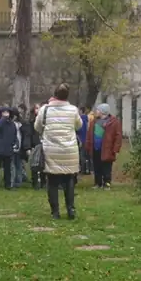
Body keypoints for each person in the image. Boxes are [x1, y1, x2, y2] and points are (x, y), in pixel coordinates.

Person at [35, 83, 82, 219]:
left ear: (54, 94)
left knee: (53, 181)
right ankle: (71, 209)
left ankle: (55, 212)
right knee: (69, 180)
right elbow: (79, 125)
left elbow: (37, 127)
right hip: (69, 150)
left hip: (52, 150)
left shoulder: (45, 109)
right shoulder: (73, 110)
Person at [86, 103, 123, 189]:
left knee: (106, 167)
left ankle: (107, 183)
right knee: (96, 166)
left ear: (102, 111)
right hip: (95, 148)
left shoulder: (113, 122)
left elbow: (118, 136)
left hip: (107, 149)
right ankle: (97, 183)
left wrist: (115, 149)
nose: (96, 111)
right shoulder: (94, 121)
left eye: (98, 110)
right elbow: (89, 134)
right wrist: (88, 145)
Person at [0, 105, 18, 190]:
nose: (6, 114)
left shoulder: (12, 124)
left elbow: (14, 134)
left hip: (8, 149)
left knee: (7, 169)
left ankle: (8, 184)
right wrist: (3, 118)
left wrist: (15, 143)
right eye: (4, 112)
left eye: (7, 112)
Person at [28, 104, 44, 190]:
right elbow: (29, 134)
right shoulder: (31, 122)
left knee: (43, 164)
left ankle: (43, 182)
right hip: (35, 145)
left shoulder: (44, 120)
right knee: (35, 164)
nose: (39, 110)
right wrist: (28, 146)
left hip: (44, 144)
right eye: (37, 108)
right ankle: (35, 182)